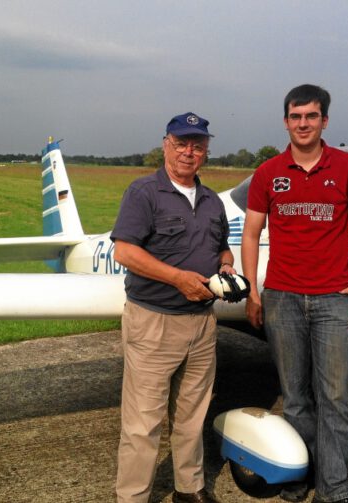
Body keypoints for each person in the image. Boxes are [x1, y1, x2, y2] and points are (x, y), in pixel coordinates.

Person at [241, 85, 348, 503]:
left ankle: (335, 491)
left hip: (333, 301)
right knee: (296, 397)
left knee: (335, 399)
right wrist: (254, 291)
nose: (303, 123)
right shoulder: (269, 172)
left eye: (311, 116)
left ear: (324, 121)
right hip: (282, 298)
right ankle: (296, 476)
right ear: (286, 121)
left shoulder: (347, 168)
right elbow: (251, 233)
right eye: (295, 116)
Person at [111, 112, 234, 503]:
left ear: (206, 151)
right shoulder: (143, 192)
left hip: (201, 324)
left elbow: (221, 248)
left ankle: (189, 487)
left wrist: (228, 266)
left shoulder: (213, 201)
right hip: (154, 321)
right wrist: (178, 278)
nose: (188, 152)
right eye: (180, 143)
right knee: (142, 422)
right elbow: (125, 251)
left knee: (192, 415)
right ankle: (132, 497)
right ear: (165, 144)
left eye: (197, 145)